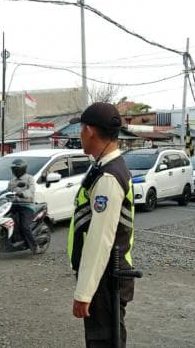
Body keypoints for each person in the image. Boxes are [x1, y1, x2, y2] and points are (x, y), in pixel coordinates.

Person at [67, 102, 135, 347]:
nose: (80, 135)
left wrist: (84, 293)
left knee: (104, 342)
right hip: (107, 275)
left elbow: (100, 239)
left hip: (106, 278)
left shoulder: (108, 176)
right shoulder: (104, 168)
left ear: (90, 131)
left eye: (81, 129)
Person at [7, 158, 40, 254]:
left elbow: (31, 190)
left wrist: (22, 194)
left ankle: (35, 246)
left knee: (24, 226)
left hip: (27, 205)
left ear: (21, 169)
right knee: (3, 219)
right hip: (14, 204)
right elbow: (7, 190)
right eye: (13, 169)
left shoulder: (29, 178)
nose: (14, 171)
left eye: (15, 169)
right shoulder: (12, 180)